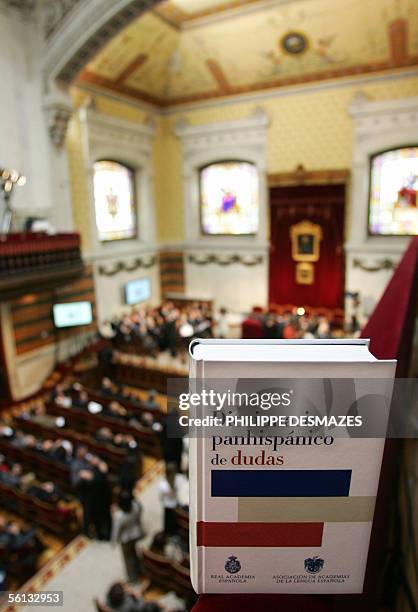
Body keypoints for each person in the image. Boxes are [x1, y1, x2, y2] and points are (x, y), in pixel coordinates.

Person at [111, 490, 144, 583]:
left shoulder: (119, 516)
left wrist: (114, 541)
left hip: (125, 539)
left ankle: (133, 578)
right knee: (134, 552)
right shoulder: (135, 506)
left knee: (128, 559)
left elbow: (116, 531)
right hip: (136, 533)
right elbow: (140, 511)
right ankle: (139, 569)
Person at [159, 463, 180, 536]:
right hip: (167, 505)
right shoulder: (163, 485)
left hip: (175, 502)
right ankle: (168, 533)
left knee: (175, 519)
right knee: (168, 520)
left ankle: (174, 531)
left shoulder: (177, 478)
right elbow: (161, 497)